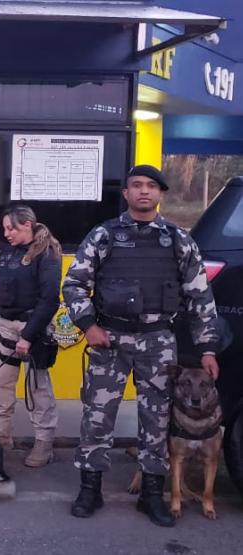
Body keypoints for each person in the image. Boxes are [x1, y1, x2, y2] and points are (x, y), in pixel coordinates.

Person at [63, 165, 221, 527]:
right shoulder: (104, 235)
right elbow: (74, 284)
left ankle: (152, 494)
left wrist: (208, 348)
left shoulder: (178, 240)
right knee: (97, 415)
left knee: (158, 418)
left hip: (157, 341)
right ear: (126, 193)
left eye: (151, 186)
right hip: (109, 339)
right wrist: (88, 326)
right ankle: (90, 489)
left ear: (160, 193)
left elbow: (200, 297)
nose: (144, 191)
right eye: (137, 185)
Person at [0, 204, 62, 467]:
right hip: (4, 327)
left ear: (27, 225)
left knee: (37, 388)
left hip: (34, 329)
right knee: (3, 385)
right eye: (5, 229)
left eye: (11, 228)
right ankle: (1, 438)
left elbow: (49, 300)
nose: (6, 234)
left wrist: (27, 335)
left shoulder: (47, 254)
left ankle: (43, 444)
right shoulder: (6, 254)